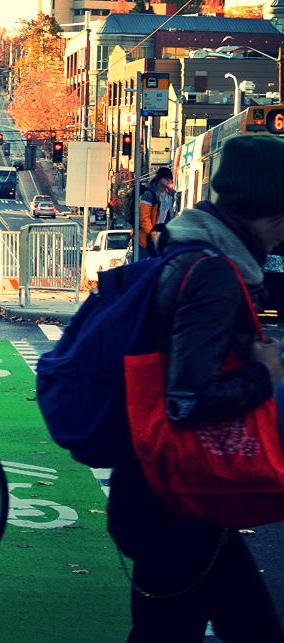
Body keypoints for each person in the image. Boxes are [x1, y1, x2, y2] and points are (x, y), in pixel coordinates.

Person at [108, 135, 284, 642]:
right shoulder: (212, 274)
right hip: (176, 500)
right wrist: (262, 374)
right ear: (268, 214)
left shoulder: (195, 252)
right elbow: (187, 402)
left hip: (180, 495)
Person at [138, 166, 177, 253]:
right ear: (159, 178)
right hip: (146, 239)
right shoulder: (149, 194)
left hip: (161, 237)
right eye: (166, 178)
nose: (169, 180)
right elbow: (144, 219)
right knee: (146, 264)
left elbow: (170, 216)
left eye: (170, 179)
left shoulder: (170, 195)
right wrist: (153, 235)